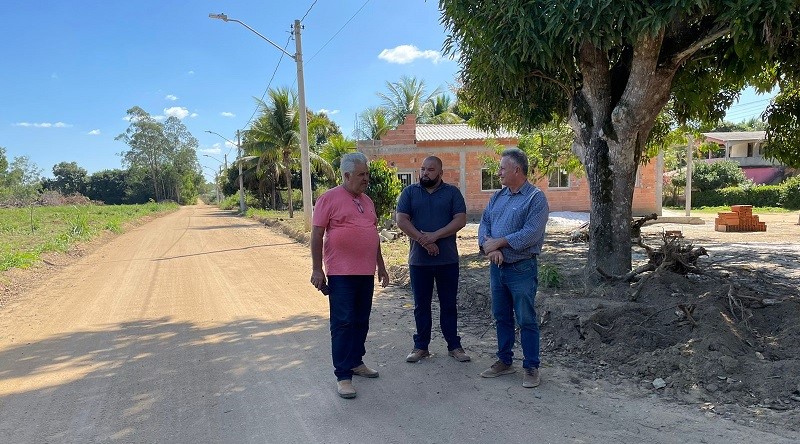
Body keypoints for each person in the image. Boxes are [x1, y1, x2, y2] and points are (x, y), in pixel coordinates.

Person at [310, 152, 390, 399]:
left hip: (365, 272)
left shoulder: (367, 201)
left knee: (361, 321)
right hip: (341, 273)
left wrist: (382, 267)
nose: (366, 178)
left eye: (367, 174)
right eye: (361, 174)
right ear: (346, 175)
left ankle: (356, 362)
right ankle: (343, 375)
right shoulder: (329, 199)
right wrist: (316, 269)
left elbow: (373, 235)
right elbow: (316, 235)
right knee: (343, 323)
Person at [477, 148, 549, 388]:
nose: (498, 173)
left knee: (526, 318)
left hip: (521, 269)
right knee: (501, 316)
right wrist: (491, 248)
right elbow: (484, 224)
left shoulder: (535, 198)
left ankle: (531, 367)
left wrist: (502, 242)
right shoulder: (498, 197)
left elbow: (531, 233)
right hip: (497, 268)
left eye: (502, 168)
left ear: (517, 170)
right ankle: (504, 361)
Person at [396, 156, 470, 364]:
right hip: (419, 261)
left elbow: (460, 219)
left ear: (440, 173)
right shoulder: (409, 192)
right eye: (422, 169)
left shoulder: (452, 193)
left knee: (448, 305)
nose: (425, 173)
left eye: (430, 169)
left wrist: (435, 236)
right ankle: (421, 346)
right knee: (421, 305)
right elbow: (402, 220)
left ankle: (454, 345)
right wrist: (423, 240)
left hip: (447, 260)